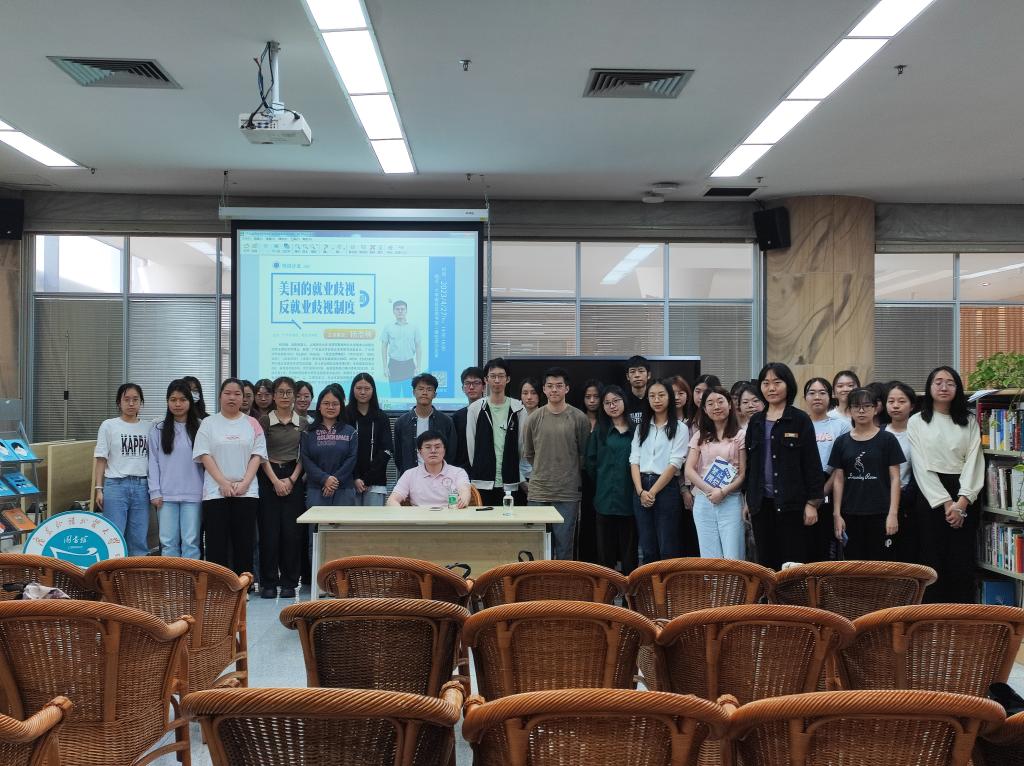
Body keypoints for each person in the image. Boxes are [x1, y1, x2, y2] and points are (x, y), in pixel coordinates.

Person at [907, 366, 984, 603]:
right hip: (931, 495)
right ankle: (932, 614)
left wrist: (963, 501)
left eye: (950, 383)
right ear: (929, 387)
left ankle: (961, 614)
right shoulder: (917, 421)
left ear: (957, 388)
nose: (944, 387)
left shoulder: (969, 421)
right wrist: (947, 503)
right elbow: (921, 465)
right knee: (931, 557)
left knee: (961, 558)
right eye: (938, 382)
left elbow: (974, 460)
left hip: (964, 492)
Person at [744, 362, 824, 570]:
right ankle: (770, 593)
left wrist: (812, 503)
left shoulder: (800, 419)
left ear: (788, 385)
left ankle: (790, 593)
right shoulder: (756, 421)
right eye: (766, 383)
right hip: (761, 504)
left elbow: (812, 464)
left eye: (777, 382)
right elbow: (751, 466)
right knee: (766, 562)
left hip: (792, 504)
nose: (771, 388)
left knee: (792, 563)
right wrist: (748, 500)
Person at [193, 378, 267, 578]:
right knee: (216, 544)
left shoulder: (252, 423)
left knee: (244, 543)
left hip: (247, 492)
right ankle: (218, 587)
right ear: (220, 396)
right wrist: (223, 483)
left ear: (243, 398)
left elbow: (257, 455)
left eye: (237, 394)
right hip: (215, 492)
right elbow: (204, 455)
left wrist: (244, 483)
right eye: (227, 393)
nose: (232, 397)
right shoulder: (208, 423)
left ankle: (243, 586)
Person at [522, 367, 591, 560]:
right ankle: (538, 578)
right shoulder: (533, 419)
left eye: (559, 386)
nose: (554, 390)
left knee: (564, 546)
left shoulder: (579, 418)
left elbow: (584, 455)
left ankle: (563, 579)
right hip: (539, 491)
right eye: (550, 386)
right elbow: (529, 454)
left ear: (567, 389)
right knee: (536, 546)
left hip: (567, 492)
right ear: (544, 389)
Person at [830, 388, 905, 561]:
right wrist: (837, 514)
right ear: (849, 410)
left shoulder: (887, 440)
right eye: (856, 406)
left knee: (881, 565)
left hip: (881, 512)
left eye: (866, 406)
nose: (861, 411)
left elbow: (895, 479)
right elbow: (839, 480)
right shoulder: (841, 442)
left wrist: (893, 514)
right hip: (850, 513)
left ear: (875, 408)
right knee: (854, 565)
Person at [256, 376, 306, 599]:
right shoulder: (264, 421)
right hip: (268, 476)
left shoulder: (302, 422)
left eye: (289, 392)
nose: (285, 396)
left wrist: (292, 480)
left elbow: (304, 455)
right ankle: (268, 582)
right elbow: (260, 453)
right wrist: (275, 481)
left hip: (293, 476)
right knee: (269, 533)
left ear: (294, 396)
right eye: (280, 392)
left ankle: (289, 582)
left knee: (291, 533)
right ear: (274, 396)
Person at [684, 385, 746, 559]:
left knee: (733, 556)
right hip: (704, 500)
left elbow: (743, 473)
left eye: (720, 401)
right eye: (710, 403)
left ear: (730, 404)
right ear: (704, 409)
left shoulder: (740, 435)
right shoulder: (699, 436)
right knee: (709, 558)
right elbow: (689, 470)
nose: (716, 406)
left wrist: (723, 492)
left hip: (731, 499)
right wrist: (710, 491)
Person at [629, 379, 688, 563]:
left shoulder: (680, 428)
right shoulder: (641, 427)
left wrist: (652, 492)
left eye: (661, 395)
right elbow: (634, 460)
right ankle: (649, 582)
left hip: (666, 488)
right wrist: (640, 491)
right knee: (647, 547)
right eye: (652, 396)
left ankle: (667, 583)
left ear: (669, 397)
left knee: (667, 546)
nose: (656, 400)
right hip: (641, 487)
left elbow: (675, 463)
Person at [148, 379, 204, 559]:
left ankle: (190, 577)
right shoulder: (158, 428)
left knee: (191, 542)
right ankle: (170, 578)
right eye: (173, 400)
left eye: (182, 399)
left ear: (190, 401)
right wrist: (155, 491)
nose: (177, 404)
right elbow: (153, 462)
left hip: (194, 494)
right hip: (165, 496)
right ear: (167, 401)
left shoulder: (201, 426)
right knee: (168, 543)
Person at [93, 383, 151, 556]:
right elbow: (101, 458)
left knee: (139, 538)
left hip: (142, 486)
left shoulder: (149, 427)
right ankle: (113, 572)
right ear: (119, 402)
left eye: (135, 399)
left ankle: (137, 572)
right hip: (116, 486)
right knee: (114, 536)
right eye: (126, 399)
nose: (131, 403)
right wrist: (99, 489)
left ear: (141, 403)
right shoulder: (109, 425)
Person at [585, 385, 638, 573]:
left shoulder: (636, 431)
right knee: (605, 552)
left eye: (616, 401)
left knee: (629, 551)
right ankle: (606, 588)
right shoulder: (600, 431)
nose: (612, 406)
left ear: (624, 401)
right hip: (604, 498)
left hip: (629, 498)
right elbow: (590, 463)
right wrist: (603, 482)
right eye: (607, 403)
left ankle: (629, 589)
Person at [465, 358, 527, 505]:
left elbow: (521, 446)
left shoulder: (518, 408)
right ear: (486, 380)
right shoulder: (475, 408)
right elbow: (471, 446)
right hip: (483, 481)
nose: (497, 380)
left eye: (501, 376)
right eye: (493, 376)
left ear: (508, 379)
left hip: (510, 481)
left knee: (509, 518)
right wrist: (482, 466)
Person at [804, 377, 851, 561]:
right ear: (805, 397)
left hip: (831, 488)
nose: (817, 397)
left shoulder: (841, 426)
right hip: (802, 490)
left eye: (822, 393)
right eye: (812, 393)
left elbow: (842, 466)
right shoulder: (799, 423)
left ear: (830, 396)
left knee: (827, 546)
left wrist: (821, 492)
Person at [301, 384, 358, 508]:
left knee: (343, 521)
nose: (330, 407)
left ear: (341, 406)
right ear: (319, 406)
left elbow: (352, 459)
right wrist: (324, 479)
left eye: (335, 404)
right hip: (316, 489)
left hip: (344, 489)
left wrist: (333, 481)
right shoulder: (308, 432)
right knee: (317, 521)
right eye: (326, 403)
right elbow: (306, 459)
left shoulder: (350, 431)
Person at [387, 430, 472, 507]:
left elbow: (464, 491)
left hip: (450, 517)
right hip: (418, 518)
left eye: (437, 447)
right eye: (428, 447)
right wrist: (401, 515)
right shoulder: (409, 474)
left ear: (444, 450)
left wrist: (464, 497)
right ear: (420, 452)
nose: (433, 451)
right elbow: (392, 500)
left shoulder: (458, 472)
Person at [883, 380, 919, 562]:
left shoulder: (918, 435)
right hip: (880, 499)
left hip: (908, 501)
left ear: (912, 406)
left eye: (901, 401)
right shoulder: (879, 432)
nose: (895, 406)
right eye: (891, 401)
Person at [393, 373, 456, 475]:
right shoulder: (401, 422)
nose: (424, 393)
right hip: (411, 477)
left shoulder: (446, 421)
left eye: (429, 389)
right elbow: (398, 455)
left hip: (439, 476)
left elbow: (451, 452)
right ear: (414, 392)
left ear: (435, 394)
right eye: (421, 389)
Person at [346, 373, 393, 506]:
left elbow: (387, 450)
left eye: (367, 388)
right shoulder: (344, 416)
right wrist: (355, 478)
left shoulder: (381, 417)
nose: (363, 392)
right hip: (349, 482)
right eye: (359, 388)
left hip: (376, 482)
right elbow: (342, 451)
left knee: (373, 520)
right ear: (353, 390)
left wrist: (367, 479)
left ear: (373, 390)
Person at [578, 378, 603, 563]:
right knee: (584, 519)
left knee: (601, 520)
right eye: (588, 397)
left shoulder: (608, 421)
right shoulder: (577, 418)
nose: (592, 400)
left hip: (603, 476)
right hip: (579, 476)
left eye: (596, 396)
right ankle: (584, 562)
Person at [381, 299, 421, 397]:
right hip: (394, 365)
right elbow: (384, 347)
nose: (400, 311)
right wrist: (385, 367)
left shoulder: (414, 327)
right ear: (393, 311)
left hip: (409, 365)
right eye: (397, 309)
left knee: (409, 395)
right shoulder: (388, 327)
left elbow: (418, 346)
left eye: (402, 309)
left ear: (406, 311)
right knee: (394, 395)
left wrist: (418, 366)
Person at [452, 366, 486, 469]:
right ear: (462, 388)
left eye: (476, 383)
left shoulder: (491, 412)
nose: (471, 387)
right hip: (463, 470)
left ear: (484, 387)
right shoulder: (457, 417)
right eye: (467, 383)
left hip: (487, 469)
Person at [516, 377, 544, 503]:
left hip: (542, 479)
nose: (529, 397)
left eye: (533, 393)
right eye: (525, 393)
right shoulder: (514, 418)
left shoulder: (546, 417)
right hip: (518, 477)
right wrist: (521, 481)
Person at [624, 355, 651, 425]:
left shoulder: (654, 399)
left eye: (641, 371)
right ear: (627, 376)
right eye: (632, 371)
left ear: (648, 375)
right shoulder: (623, 400)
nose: (637, 375)